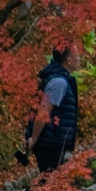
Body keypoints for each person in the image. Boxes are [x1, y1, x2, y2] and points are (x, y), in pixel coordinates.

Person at [23, 42, 80, 174]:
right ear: (69, 60)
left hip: (53, 141)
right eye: (77, 56)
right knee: (50, 185)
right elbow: (43, 112)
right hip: (50, 143)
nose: (80, 59)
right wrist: (34, 138)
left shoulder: (61, 79)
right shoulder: (58, 82)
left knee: (51, 186)